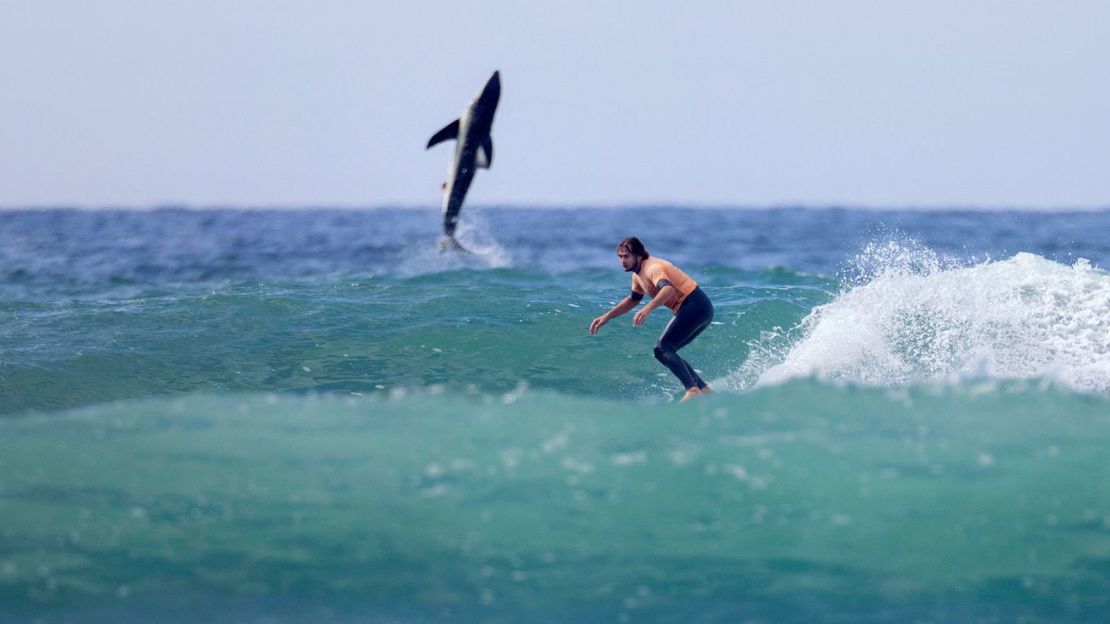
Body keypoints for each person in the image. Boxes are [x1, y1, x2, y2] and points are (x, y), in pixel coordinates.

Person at [589, 237, 714, 401]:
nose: (622, 261)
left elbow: (668, 289)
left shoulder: (652, 268)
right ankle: (703, 390)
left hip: (695, 305)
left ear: (639, 255)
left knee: (662, 349)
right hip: (700, 307)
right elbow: (633, 299)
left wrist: (648, 309)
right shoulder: (638, 274)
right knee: (668, 350)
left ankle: (692, 390)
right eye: (620, 257)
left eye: (626, 256)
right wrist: (607, 317)